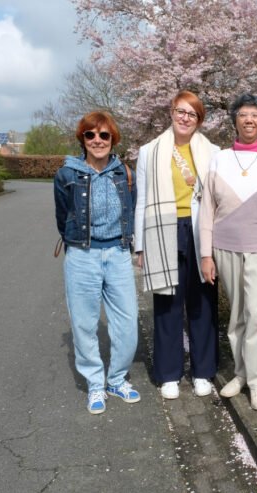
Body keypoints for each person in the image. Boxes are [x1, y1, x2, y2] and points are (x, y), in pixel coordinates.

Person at [199, 93, 257, 411]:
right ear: (235, 120)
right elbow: (207, 212)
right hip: (224, 248)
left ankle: (256, 383)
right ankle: (239, 375)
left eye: (255, 114)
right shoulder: (219, 160)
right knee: (237, 317)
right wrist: (206, 254)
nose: (249, 120)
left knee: (256, 315)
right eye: (243, 114)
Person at [134, 91, 220, 400]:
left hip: (201, 229)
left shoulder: (213, 151)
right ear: (171, 112)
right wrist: (140, 245)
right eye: (181, 111)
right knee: (167, 302)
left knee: (203, 302)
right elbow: (141, 199)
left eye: (192, 114)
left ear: (199, 120)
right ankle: (169, 373)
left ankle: (202, 371)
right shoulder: (150, 151)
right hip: (163, 228)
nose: (185, 118)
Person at [54, 111, 140, 415]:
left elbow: (133, 209)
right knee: (84, 324)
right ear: (83, 139)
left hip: (117, 253)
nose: (98, 140)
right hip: (82, 255)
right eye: (90, 135)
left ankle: (117, 378)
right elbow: (63, 216)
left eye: (104, 135)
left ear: (113, 138)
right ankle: (95, 384)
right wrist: (76, 245)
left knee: (127, 322)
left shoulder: (125, 173)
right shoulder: (67, 174)